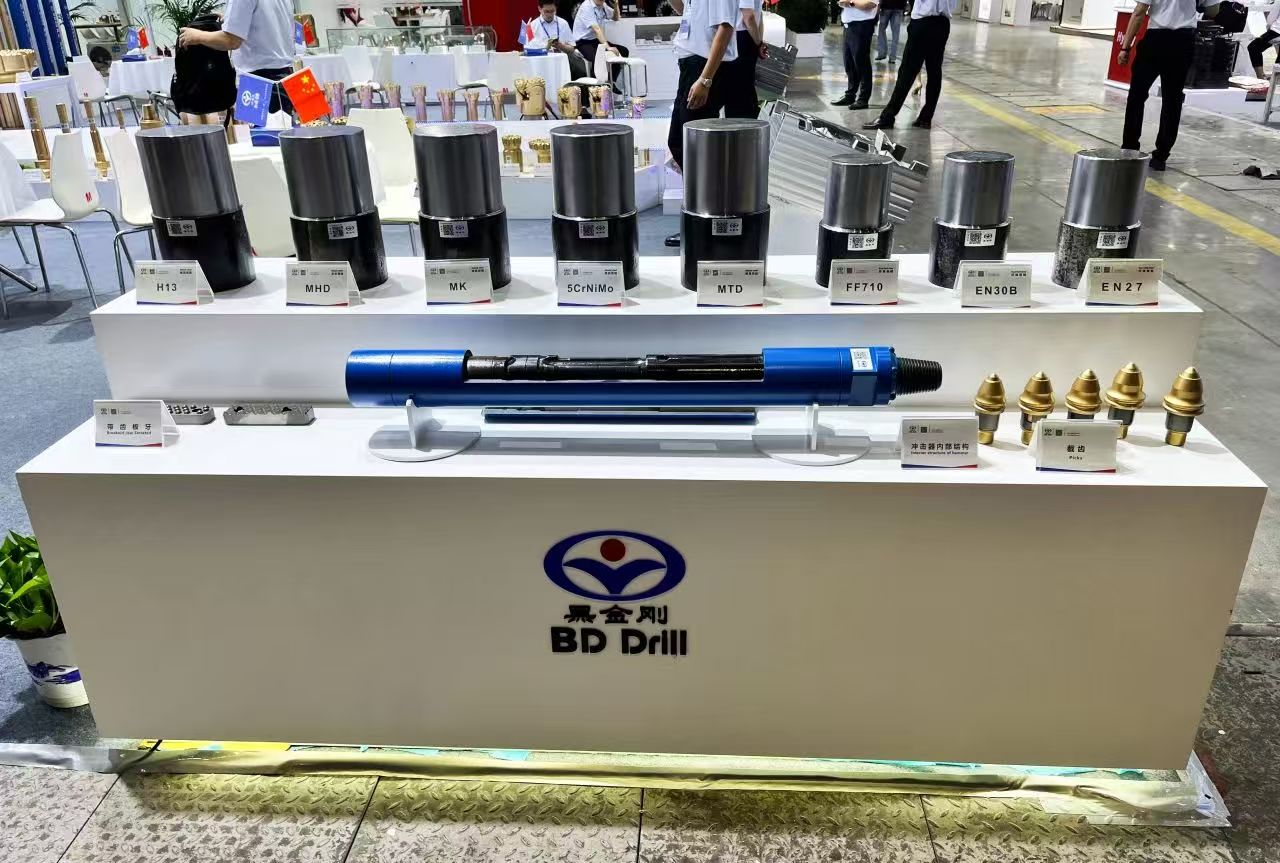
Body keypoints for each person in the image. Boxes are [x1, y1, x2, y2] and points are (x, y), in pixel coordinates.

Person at [663, 0, 740, 246]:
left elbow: (725, 28)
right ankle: (703, 218)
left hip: (703, 68)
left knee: (694, 150)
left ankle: (704, 223)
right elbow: (685, 10)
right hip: (691, 67)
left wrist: (705, 80)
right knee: (682, 144)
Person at [1118, 0, 1221, 171]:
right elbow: (1214, 10)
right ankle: (1161, 156)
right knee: (1172, 100)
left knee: (1137, 95)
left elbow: (1139, 12)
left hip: (1156, 39)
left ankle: (1129, 148)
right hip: (1183, 41)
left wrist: (1125, 47)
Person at [179, 0, 295, 114]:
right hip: (286, 76)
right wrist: (231, 20)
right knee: (285, 125)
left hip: (259, 82)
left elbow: (231, 40)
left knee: (261, 127)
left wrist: (197, 36)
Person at [862, 0, 955, 129]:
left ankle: (888, 116)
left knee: (907, 71)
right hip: (942, 24)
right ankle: (926, 118)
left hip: (923, 22)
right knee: (934, 71)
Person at [521, 0, 589, 79]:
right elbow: (527, 50)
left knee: (577, 66)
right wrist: (544, 49)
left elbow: (571, 49)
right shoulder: (532, 26)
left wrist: (561, 46)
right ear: (539, 9)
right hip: (542, 62)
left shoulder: (563, 23)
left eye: (552, 11)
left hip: (562, 61)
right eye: (546, 11)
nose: (550, 15)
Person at [832, 0, 879, 109]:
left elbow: (870, 4)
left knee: (862, 63)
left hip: (862, 25)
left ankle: (863, 99)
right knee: (849, 63)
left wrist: (850, 3)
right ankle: (850, 95)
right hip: (848, 26)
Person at [723, 0, 767, 117]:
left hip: (743, 36)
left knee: (739, 88)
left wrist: (759, 42)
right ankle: (742, 123)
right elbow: (749, 17)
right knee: (741, 91)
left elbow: (758, 15)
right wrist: (759, 43)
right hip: (742, 37)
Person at [573, 0, 629, 74]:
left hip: (595, 40)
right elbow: (596, 29)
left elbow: (616, 18)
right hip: (582, 42)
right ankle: (596, 81)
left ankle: (611, 79)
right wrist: (608, 47)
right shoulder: (586, 6)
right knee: (599, 57)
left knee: (623, 51)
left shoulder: (603, 5)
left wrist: (616, 5)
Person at [1247, 4, 1280, 78]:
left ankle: (1261, 78)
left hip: (1277, 32)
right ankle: (1276, 79)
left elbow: (1270, 19)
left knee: (1253, 47)